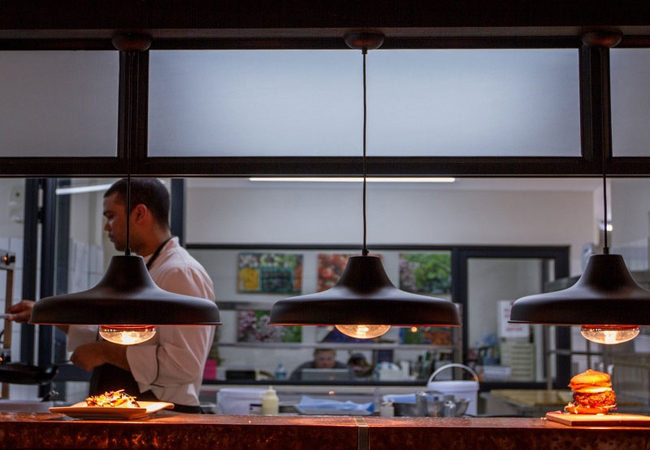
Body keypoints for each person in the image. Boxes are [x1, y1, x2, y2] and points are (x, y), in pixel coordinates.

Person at [8, 178, 215, 413]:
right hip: (133, 416)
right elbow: (123, 336)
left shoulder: (179, 272)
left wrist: (103, 352)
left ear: (139, 214)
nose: (106, 227)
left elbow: (185, 364)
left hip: (164, 418)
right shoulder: (147, 269)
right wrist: (48, 315)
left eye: (111, 216)